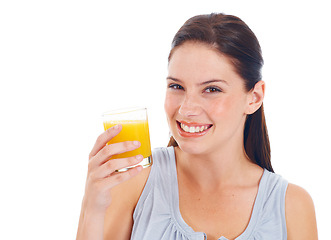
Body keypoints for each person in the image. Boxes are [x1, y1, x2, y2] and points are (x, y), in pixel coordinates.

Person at [76, 13, 318, 240]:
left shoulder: (292, 207)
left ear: (254, 97)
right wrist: (92, 208)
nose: (186, 109)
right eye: (176, 86)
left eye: (212, 89)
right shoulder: (134, 179)